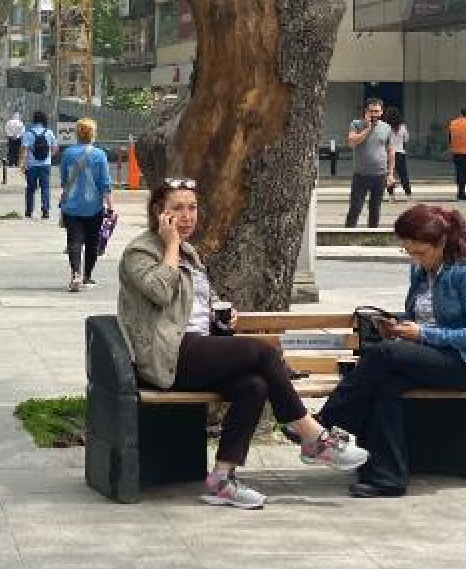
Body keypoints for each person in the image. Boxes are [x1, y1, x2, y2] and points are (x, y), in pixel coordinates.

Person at [117, 179, 369, 508]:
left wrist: (222, 312)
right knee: (262, 350)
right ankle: (312, 436)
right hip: (165, 356)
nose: (187, 216)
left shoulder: (190, 253)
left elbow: (197, 302)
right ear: (158, 213)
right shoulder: (141, 252)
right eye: (177, 208)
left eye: (192, 208)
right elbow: (160, 292)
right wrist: (170, 246)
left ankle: (222, 479)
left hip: (196, 348)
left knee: (254, 385)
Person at [314, 204, 466, 497]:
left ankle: (326, 423)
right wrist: (399, 324)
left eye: (421, 252)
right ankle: (388, 478)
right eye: (409, 252)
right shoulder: (420, 272)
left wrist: (422, 334)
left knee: (384, 354)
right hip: (432, 357)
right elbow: (419, 314)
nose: (415, 258)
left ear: (441, 243)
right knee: (385, 387)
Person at [59, 119, 114, 293]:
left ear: (77, 133)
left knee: (74, 240)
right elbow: (105, 183)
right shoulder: (99, 155)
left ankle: (75, 273)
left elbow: (64, 180)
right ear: (93, 134)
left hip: (71, 206)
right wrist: (110, 205)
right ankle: (87, 276)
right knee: (92, 242)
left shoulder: (68, 153)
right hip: (93, 207)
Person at [345, 98, 395, 228]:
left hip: (380, 175)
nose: (374, 114)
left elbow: (390, 152)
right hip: (361, 175)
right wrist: (368, 128)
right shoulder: (356, 124)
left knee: (375, 209)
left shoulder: (386, 128)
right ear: (366, 111)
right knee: (355, 208)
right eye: (371, 111)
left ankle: (373, 236)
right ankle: (348, 236)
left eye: (377, 111)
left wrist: (390, 174)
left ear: (381, 112)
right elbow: (352, 142)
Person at [20, 110, 57, 219]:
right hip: (45, 165)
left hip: (31, 165)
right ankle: (45, 210)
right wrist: (48, 156)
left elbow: (24, 150)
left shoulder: (28, 133)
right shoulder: (49, 133)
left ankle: (29, 211)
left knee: (30, 188)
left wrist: (22, 163)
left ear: (34, 120)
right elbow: (55, 148)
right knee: (45, 187)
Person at [385, 105, 411, 200]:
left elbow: (384, 141)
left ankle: (391, 196)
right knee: (404, 175)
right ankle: (408, 195)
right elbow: (407, 139)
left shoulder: (386, 127)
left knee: (390, 174)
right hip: (401, 153)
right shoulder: (403, 127)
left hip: (389, 153)